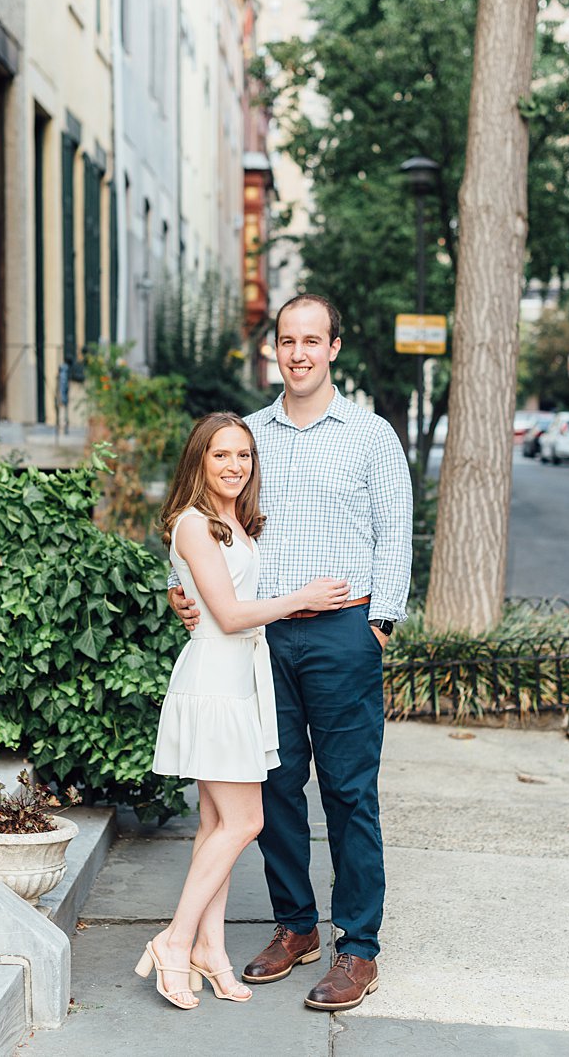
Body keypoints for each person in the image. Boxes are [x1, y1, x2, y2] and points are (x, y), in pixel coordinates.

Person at [168, 294, 413, 1012]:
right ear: (274, 349)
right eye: (287, 340)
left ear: (335, 347)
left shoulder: (371, 436)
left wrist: (380, 625)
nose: (299, 352)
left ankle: (358, 948)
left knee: (347, 793)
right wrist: (181, 591)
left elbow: (395, 535)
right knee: (272, 791)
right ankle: (295, 926)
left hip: (344, 634)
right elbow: (206, 517)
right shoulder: (250, 434)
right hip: (257, 639)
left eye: (312, 340)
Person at [137, 412, 351, 1010]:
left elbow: (210, 595)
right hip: (215, 680)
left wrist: (186, 594)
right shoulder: (193, 524)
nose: (235, 466)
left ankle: (211, 950)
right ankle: (175, 942)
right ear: (198, 461)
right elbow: (229, 616)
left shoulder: (232, 520)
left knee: (216, 827)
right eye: (221, 455)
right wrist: (303, 599)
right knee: (244, 822)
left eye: (244, 456)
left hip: (239, 678)